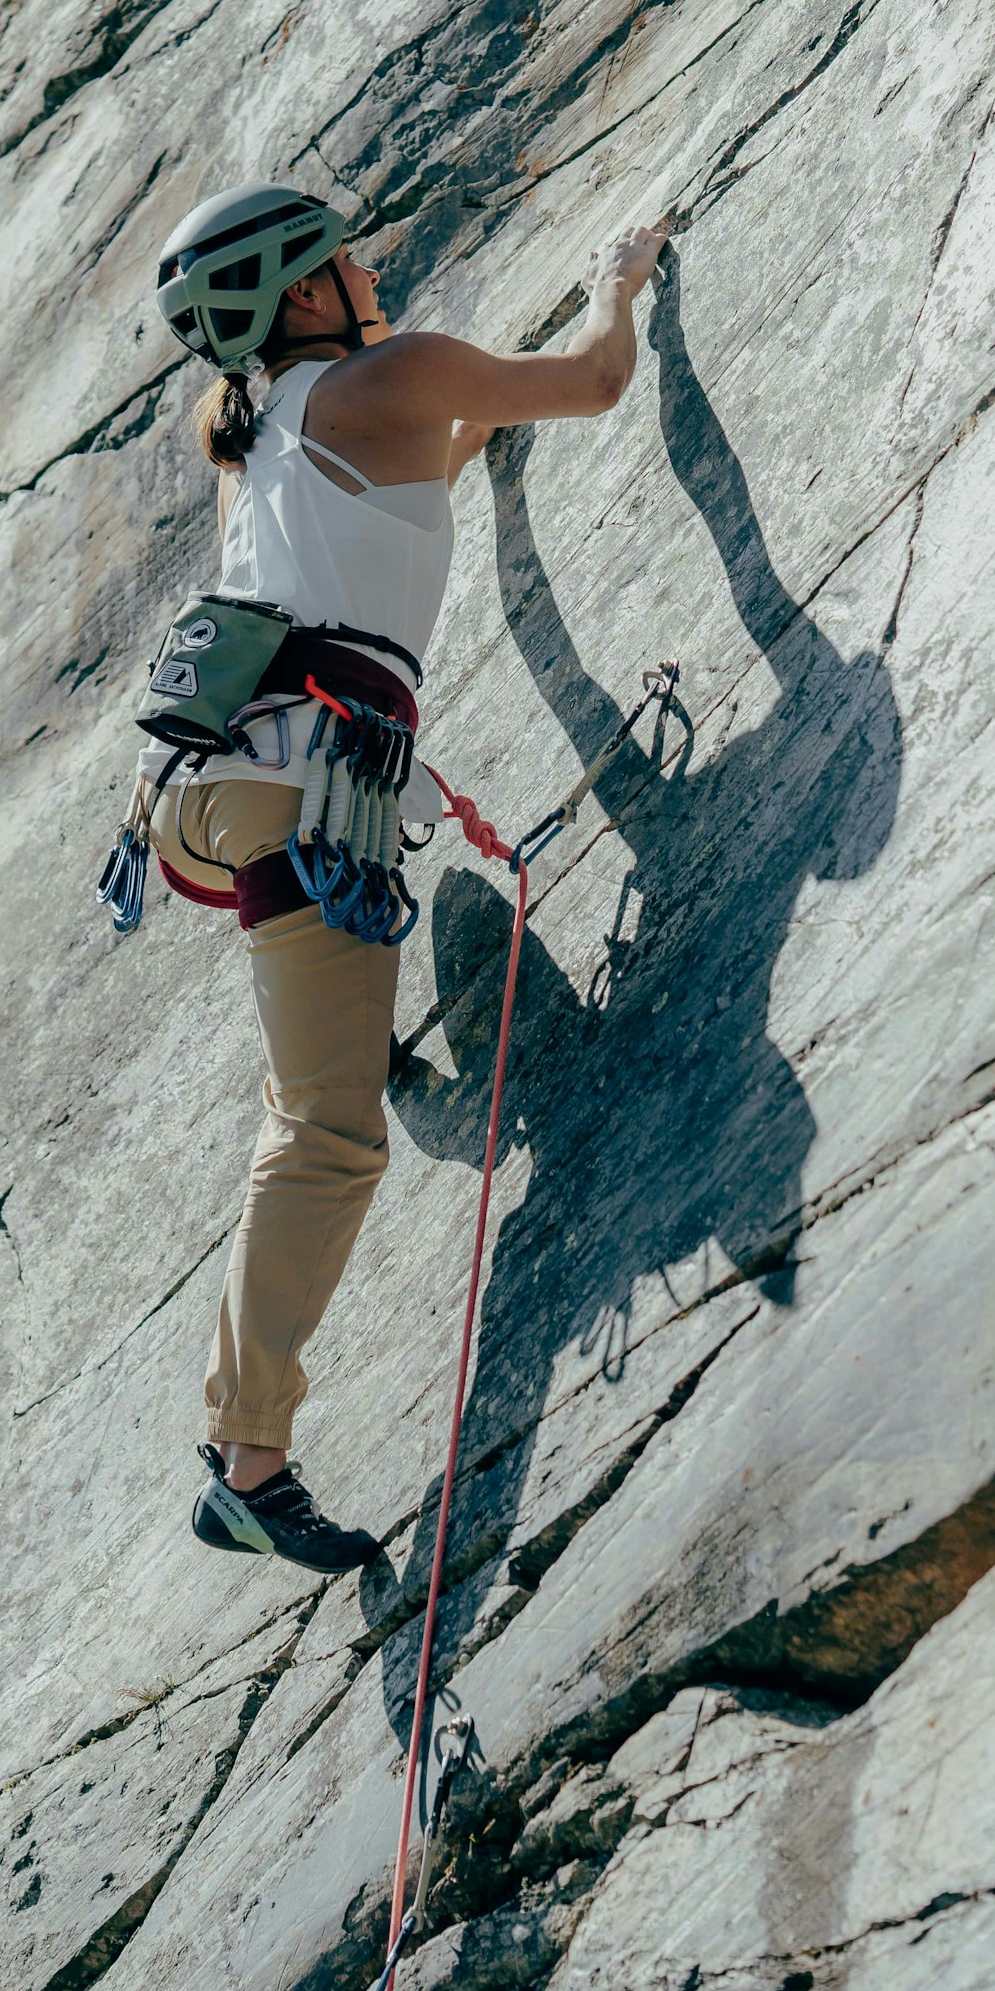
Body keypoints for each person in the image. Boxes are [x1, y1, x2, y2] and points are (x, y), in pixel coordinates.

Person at [136, 184, 660, 1573]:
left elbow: (459, 442)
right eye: (339, 257)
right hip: (311, 788)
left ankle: (368, 1071)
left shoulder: (276, 443)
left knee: (316, 1095)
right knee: (330, 1131)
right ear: (306, 296)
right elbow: (599, 384)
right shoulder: (391, 372)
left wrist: (496, 435)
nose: (366, 266)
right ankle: (247, 1460)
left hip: (228, 789)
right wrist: (621, 277)